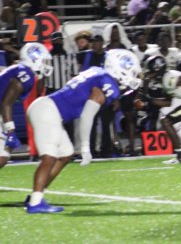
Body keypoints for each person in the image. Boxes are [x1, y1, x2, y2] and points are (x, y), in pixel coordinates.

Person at [24, 49, 140, 213]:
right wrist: (85, 146)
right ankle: (35, 203)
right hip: (48, 111)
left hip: (47, 108)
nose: (133, 76)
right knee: (49, 157)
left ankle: (36, 195)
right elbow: (87, 115)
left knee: (65, 154)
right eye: (131, 71)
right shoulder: (107, 83)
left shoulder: (97, 72)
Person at [0, 43, 53, 170]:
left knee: (4, 153)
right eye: (43, 60)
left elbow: (38, 92)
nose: (46, 63)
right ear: (34, 58)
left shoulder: (24, 71)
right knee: (3, 153)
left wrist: (42, 76)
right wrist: (10, 130)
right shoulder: (25, 74)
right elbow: (6, 102)